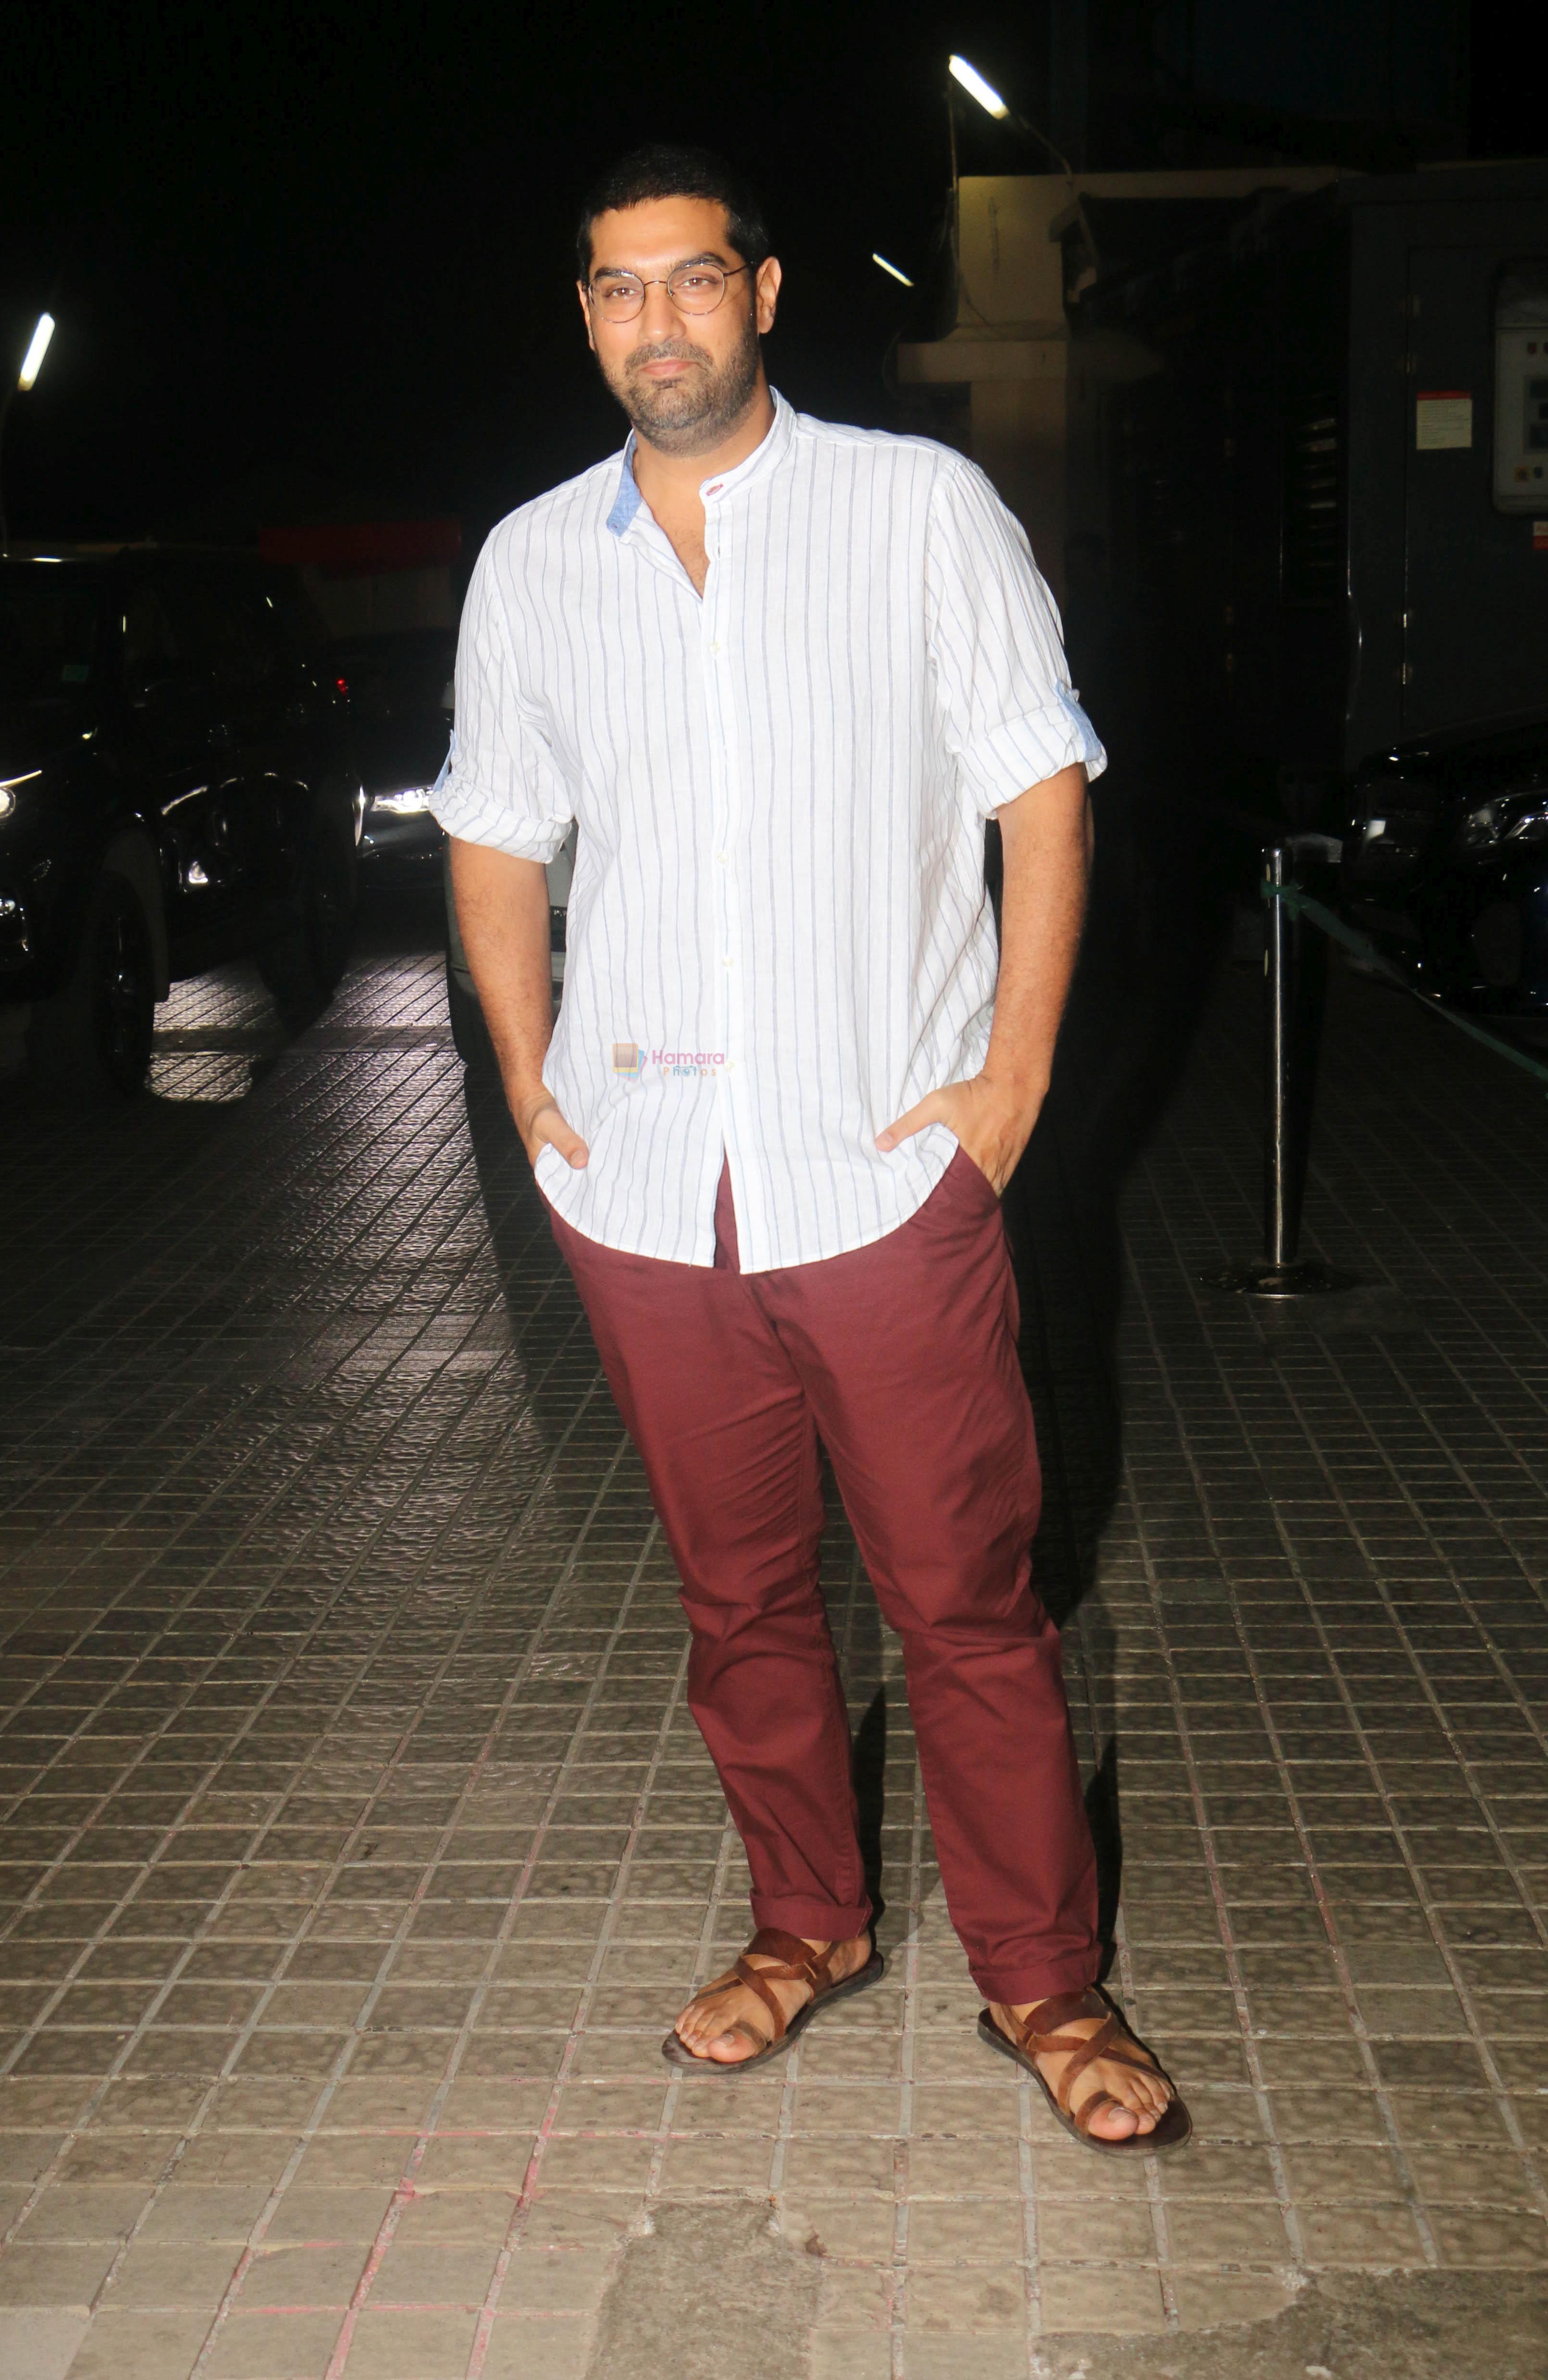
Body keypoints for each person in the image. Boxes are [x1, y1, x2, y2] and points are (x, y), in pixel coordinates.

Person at [432, 144, 1186, 2151]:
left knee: (965, 1598)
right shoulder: (532, 563)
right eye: (616, 292)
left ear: (762, 294)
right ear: (585, 321)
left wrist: (1010, 1087)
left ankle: (1046, 1979)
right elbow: (497, 834)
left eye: (690, 281)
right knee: (739, 1600)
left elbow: (1044, 794)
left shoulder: (915, 510)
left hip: (878, 1170)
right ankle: (808, 1926)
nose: (655, 322)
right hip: (649, 1186)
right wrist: (524, 1084)